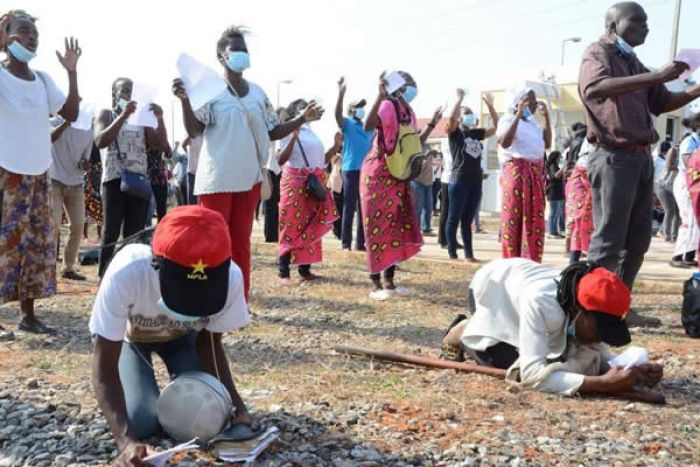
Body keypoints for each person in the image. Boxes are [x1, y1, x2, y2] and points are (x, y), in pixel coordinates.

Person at [89, 206, 256, 465]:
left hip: (183, 342)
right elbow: (103, 363)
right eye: (184, 294)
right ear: (158, 264)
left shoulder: (231, 277)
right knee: (141, 421)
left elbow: (209, 347)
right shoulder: (128, 270)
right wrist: (126, 441)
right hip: (131, 342)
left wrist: (237, 408)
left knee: (209, 416)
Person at [172, 25, 323, 301]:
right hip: (216, 182)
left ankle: (238, 300)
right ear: (221, 57)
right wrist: (184, 101)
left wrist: (302, 119)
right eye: (235, 50)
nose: (242, 54)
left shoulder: (257, 93)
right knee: (214, 243)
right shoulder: (209, 92)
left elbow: (273, 130)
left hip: (249, 180)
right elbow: (195, 131)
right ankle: (209, 300)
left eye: (245, 50)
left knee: (240, 244)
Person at [578, 2, 700, 307]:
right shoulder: (598, 52)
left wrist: (696, 89)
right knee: (608, 240)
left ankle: (616, 306)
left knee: (638, 240)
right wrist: (656, 76)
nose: (646, 27)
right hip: (613, 157)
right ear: (612, 25)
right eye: (637, 21)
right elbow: (594, 88)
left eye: (647, 22)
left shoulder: (633, 62)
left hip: (640, 159)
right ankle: (590, 310)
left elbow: (662, 102)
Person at [442, 259, 664, 399]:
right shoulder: (542, 302)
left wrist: (629, 370)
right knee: (510, 363)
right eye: (599, 330)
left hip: (521, 290)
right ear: (580, 311)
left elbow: (597, 351)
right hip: (491, 292)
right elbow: (531, 376)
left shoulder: (580, 307)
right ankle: (467, 330)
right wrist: (602, 384)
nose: (600, 338)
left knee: (566, 356)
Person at [0, 11, 81, 334]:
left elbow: (71, 113)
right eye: (23, 31)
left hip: (39, 174)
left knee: (36, 244)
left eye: (35, 33)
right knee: (5, 243)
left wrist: (72, 73)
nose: (32, 37)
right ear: (6, 36)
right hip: (7, 172)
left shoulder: (44, 80)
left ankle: (28, 315)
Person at [361, 71, 442, 299]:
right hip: (378, 172)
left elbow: (414, 144)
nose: (414, 87)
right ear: (399, 85)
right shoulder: (387, 105)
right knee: (376, 225)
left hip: (399, 173)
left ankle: (389, 281)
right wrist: (379, 97)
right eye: (410, 83)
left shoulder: (408, 110)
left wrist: (433, 124)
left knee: (395, 226)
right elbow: (369, 126)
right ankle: (375, 282)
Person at [94, 78, 170, 278]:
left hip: (138, 181)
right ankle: (104, 278)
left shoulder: (141, 119)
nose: (128, 95)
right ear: (115, 94)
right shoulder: (106, 114)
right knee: (111, 232)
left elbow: (160, 144)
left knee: (134, 233)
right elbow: (100, 140)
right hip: (114, 180)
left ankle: (126, 276)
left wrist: (159, 119)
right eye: (124, 91)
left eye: (131, 91)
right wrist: (123, 116)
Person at [276, 99, 339, 283]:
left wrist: (335, 147)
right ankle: (283, 271)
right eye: (305, 107)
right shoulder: (287, 130)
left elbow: (320, 161)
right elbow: (280, 159)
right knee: (290, 225)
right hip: (295, 185)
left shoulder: (311, 132)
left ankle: (304, 269)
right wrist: (293, 137)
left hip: (313, 184)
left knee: (309, 225)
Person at [496, 85, 551, 262]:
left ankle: (531, 261)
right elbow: (504, 142)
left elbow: (547, 144)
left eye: (535, 100)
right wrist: (518, 114)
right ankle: (512, 261)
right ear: (519, 102)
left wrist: (546, 118)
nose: (535, 104)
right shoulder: (508, 119)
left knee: (534, 220)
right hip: (517, 173)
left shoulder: (533, 124)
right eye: (531, 100)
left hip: (535, 174)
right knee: (514, 216)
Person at [446, 89, 498, 262]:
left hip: (475, 181)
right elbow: (452, 120)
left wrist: (491, 107)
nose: (470, 116)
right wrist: (459, 100)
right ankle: (452, 252)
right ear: (461, 118)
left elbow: (495, 128)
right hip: (459, 180)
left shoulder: (476, 134)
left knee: (468, 219)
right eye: (466, 114)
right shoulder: (455, 133)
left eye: (471, 114)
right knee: (454, 218)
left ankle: (469, 254)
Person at [50, 108, 93, 281]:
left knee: (77, 227)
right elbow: (49, 138)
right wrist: (67, 122)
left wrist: (85, 164)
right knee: (52, 226)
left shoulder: (88, 130)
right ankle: (48, 267)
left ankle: (67, 267)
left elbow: (85, 158)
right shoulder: (54, 122)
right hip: (54, 179)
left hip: (76, 183)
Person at [335, 77, 374, 251]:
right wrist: (340, 94)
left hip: (366, 172)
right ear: (352, 110)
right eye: (359, 107)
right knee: (349, 206)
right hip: (350, 169)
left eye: (363, 107)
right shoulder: (348, 124)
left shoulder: (368, 127)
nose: (362, 110)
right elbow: (337, 115)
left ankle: (360, 243)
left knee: (363, 208)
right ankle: (346, 243)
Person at [671, 117, 700, 268]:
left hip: (695, 183)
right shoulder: (689, 141)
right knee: (688, 220)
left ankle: (688, 255)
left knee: (696, 222)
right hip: (685, 182)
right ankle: (677, 256)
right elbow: (688, 162)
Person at [565, 140, 595, 265]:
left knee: (592, 222)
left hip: (596, 177)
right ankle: (573, 261)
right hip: (581, 176)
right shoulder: (592, 135)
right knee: (578, 218)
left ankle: (590, 260)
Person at [653, 141, 679, 245]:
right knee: (670, 210)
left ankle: (674, 236)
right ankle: (666, 235)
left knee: (677, 212)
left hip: (672, 187)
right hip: (663, 186)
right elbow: (668, 167)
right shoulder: (673, 152)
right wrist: (680, 168)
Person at [411, 149, 436, 235]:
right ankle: (416, 230)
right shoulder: (415, 145)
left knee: (428, 207)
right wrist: (427, 153)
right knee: (418, 207)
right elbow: (414, 161)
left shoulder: (427, 145)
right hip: (417, 181)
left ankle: (426, 228)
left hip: (428, 182)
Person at [83, 143, 103, 243]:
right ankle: (85, 234)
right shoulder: (88, 133)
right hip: (88, 172)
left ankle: (99, 234)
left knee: (100, 205)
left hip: (99, 170)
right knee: (86, 204)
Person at [545, 151, 566, 239]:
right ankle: (551, 231)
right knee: (553, 213)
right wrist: (563, 168)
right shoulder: (553, 165)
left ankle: (555, 231)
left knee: (557, 213)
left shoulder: (555, 166)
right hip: (554, 192)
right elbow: (555, 176)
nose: (560, 159)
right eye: (559, 157)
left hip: (558, 192)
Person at [327, 136, 344, 240]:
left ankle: (339, 231)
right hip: (337, 182)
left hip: (339, 182)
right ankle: (338, 231)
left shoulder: (343, 151)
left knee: (340, 208)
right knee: (338, 208)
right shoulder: (338, 152)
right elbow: (331, 162)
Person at [182, 135, 202, 205]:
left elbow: (183, 145)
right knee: (194, 200)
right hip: (194, 171)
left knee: (194, 200)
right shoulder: (192, 134)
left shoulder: (192, 134)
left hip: (196, 171)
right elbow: (183, 145)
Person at [431, 151, 443, 215]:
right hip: (434, 180)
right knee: (434, 196)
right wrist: (438, 167)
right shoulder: (433, 163)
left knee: (439, 196)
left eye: (440, 159)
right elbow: (434, 172)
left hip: (439, 180)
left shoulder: (441, 163)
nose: (438, 160)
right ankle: (433, 210)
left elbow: (442, 171)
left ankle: (436, 210)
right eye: (437, 158)